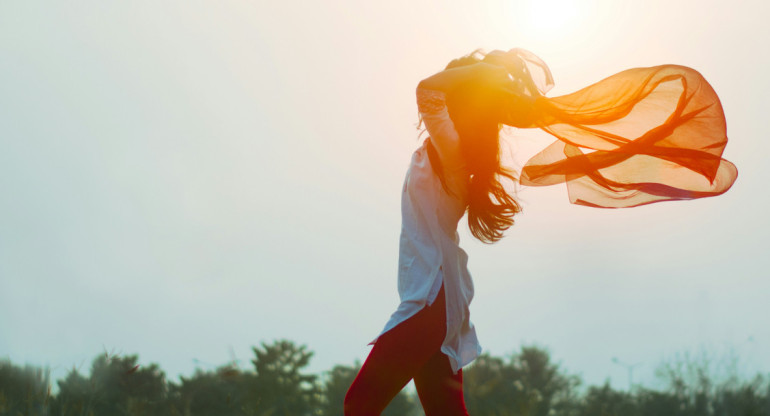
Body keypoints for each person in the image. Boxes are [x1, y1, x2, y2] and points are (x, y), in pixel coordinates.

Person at [343, 49, 737, 416]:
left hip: (431, 298)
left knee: (359, 404)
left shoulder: (453, 149)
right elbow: (435, 92)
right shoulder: (453, 151)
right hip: (437, 300)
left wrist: (482, 74)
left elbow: (427, 90)